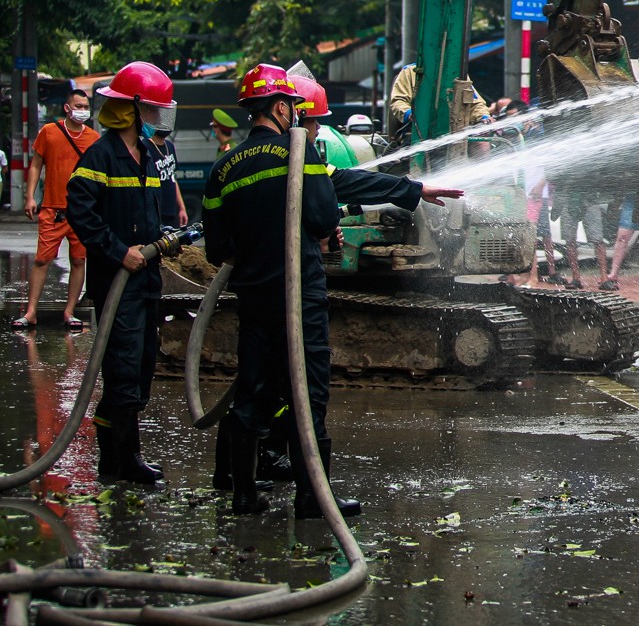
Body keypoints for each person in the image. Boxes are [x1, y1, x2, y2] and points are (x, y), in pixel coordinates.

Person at [203, 65, 461, 517]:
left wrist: (411, 190)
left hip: (254, 295)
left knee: (253, 387)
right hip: (299, 295)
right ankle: (312, 496)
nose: (310, 126)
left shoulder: (224, 167)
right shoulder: (297, 156)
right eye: (305, 116)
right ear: (282, 108)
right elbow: (324, 218)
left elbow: (218, 247)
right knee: (310, 390)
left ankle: (243, 494)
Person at [63, 61, 178, 485]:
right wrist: (118, 251)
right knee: (123, 371)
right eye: (151, 111)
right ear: (130, 110)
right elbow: (80, 210)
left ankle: (116, 461)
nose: (155, 119)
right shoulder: (101, 155)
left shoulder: (148, 154)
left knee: (142, 365)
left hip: (145, 282)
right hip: (117, 284)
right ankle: (121, 459)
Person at [13, 89, 98, 330]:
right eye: (78, 105)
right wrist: (30, 197)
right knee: (42, 260)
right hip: (52, 208)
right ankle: (30, 313)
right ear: (67, 108)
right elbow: (35, 165)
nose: (82, 110)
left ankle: (69, 312)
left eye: (85, 106)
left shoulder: (93, 138)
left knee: (79, 260)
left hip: (82, 210)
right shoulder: (49, 132)